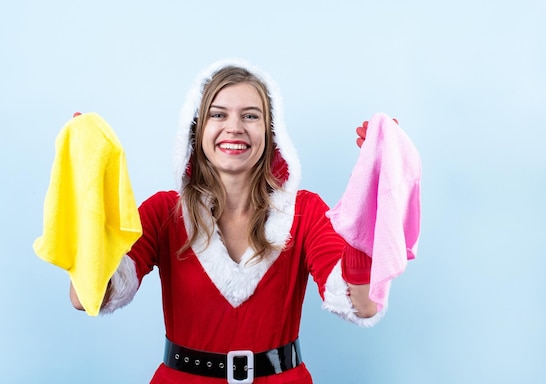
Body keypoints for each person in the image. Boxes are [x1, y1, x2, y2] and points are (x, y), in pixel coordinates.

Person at [69, 59, 389, 383]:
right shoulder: (163, 213)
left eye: (250, 115)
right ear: (197, 128)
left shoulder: (304, 211)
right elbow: (86, 297)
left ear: (271, 131)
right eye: (218, 114)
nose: (234, 127)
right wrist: (89, 192)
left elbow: (362, 305)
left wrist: (367, 201)